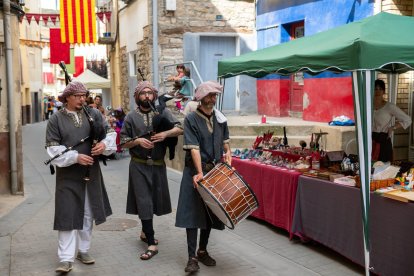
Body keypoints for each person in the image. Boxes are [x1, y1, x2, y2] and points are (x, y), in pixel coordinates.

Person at [45, 81, 116, 273]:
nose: (82, 99)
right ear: (67, 97)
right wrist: (75, 157)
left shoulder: (93, 114)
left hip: (91, 172)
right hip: (67, 174)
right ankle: (66, 258)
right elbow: (52, 148)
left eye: (84, 95)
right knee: (68, 213)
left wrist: (104, 145)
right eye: (77, 96)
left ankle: (83, 250)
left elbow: (109, 134)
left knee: (88, 212)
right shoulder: (56, 119)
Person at [120, 81, 183, 261]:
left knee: (153, 201)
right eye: (143, 93)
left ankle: (143, 231)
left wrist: (165, 134)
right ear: (137, 96)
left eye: (150, 93)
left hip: (157, 165)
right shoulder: (131, 117)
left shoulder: (162, 112)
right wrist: (137, 141)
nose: (147, 96)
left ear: (154, 96)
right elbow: (123, 142)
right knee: (144, 201)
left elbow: (180, 128)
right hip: (139, 165)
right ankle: (151, 243)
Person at [175, 81, 232, 273]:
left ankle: (202, 250)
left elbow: (225, 144)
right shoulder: (191, 119)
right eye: (210, 95)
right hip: (195, 172)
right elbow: (194, 149)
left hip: (214, 172)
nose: (213, 99)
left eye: (215, 95)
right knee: (192, 215)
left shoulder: (220, 118)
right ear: (201, 97)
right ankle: (191, 257)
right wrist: (199, 173)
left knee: (209, 214)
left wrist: (228, 157)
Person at [372, 79, 411, 162]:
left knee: (384, 169)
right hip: (370, 141)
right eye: (375, 89)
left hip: (383, 142)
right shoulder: (367, 106)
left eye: (380, 89)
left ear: (384, 91)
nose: (378, 91)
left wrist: (393, 127)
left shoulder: (389, 106)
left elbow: (407, 120)